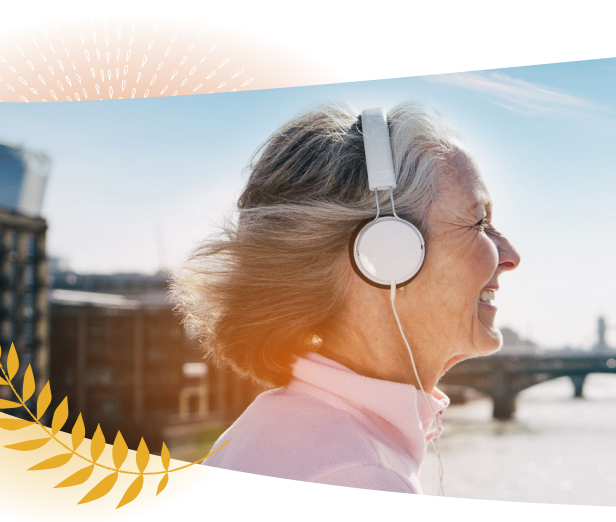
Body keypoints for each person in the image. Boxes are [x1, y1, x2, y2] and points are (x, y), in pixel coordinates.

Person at [170, 102, 520, 493]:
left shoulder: (261, 430)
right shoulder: (364, 479)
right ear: (389, 253)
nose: (510, 256)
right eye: (479, 222)